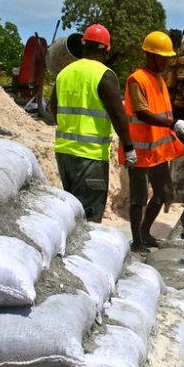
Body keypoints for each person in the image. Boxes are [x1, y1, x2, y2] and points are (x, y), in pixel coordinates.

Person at [48, 24, 136, 223]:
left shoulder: (64, 73)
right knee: (88, 220)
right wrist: (129, 148)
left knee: (71, 214)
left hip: (64, 154)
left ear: (83, 45)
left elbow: (53, 107)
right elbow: (118, 114)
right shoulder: (104, 75)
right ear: (107, 49)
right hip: (90, 157)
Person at [119, 31, 184, 253]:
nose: (166, 61)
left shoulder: (160, 79)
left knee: (163, 194)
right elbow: (142, 113)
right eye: (162, 57)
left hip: (158, 151)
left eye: (167, 57)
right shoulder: (137, 79)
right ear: (150, 55)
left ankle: (145, 231)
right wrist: (173, 124)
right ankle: (137, 242)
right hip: (140, 153)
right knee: (138, 200)